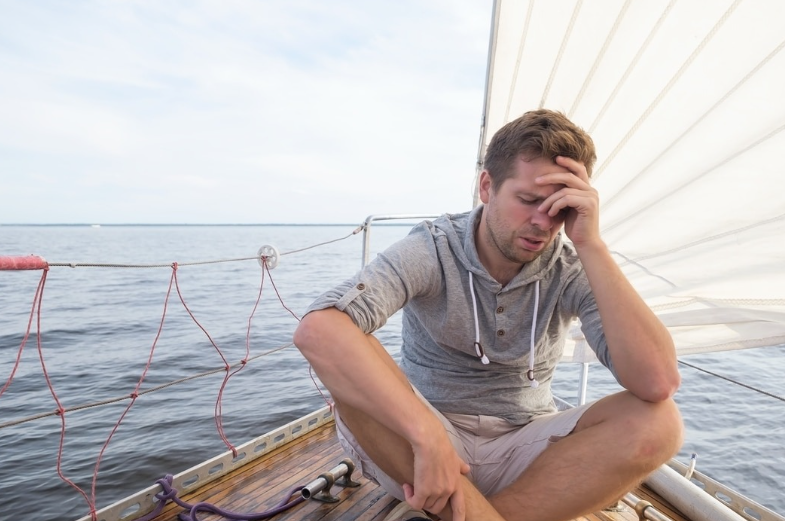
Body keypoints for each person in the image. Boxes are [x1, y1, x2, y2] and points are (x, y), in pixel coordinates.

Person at [293, 109, 683, 521]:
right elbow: (319, 330)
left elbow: (657, 381)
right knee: (350, 377)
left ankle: (474, 514)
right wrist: (427, 436)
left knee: (659, 423)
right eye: (529, 201)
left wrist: (592, 244)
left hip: (526, 451)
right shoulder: (433, 248)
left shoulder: (571, 265)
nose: (542, 222)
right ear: (486, 186)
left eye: (558, 208)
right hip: (419, 450)